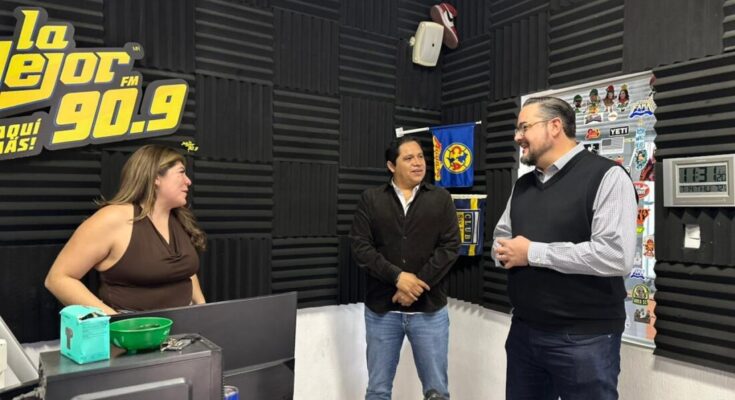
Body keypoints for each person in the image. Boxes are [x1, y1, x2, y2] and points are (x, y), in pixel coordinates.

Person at [492, 97, 637, 400]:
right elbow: (502, 238)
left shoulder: (607, 176)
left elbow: (616, 255)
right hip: (524, 332)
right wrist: (503, 252)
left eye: (524, 127)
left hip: (585, 338)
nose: (517, 136)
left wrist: (532, 253)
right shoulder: (523, 185)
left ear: (555, 126)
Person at [350, 136, 459, 400]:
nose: (418, 162)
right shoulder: (371, 199)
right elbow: (361, 248)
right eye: (408, 158)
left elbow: (450, 247)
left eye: (420, 156)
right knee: (377, 390)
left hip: (429, 311)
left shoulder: (441, 198)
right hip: (382, 311)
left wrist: (414, 286)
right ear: (391, 165)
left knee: (437, 391)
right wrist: (397, 277)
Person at [45, 144, 206, 315]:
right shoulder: (112, 218)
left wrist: (203, 309)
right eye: (181, 173)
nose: (188, 181)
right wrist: (116, 322)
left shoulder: (179, 218)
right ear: (155, 178)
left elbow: (186, 272)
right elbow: (58, 279)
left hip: (185, 324)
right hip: (131, 328)